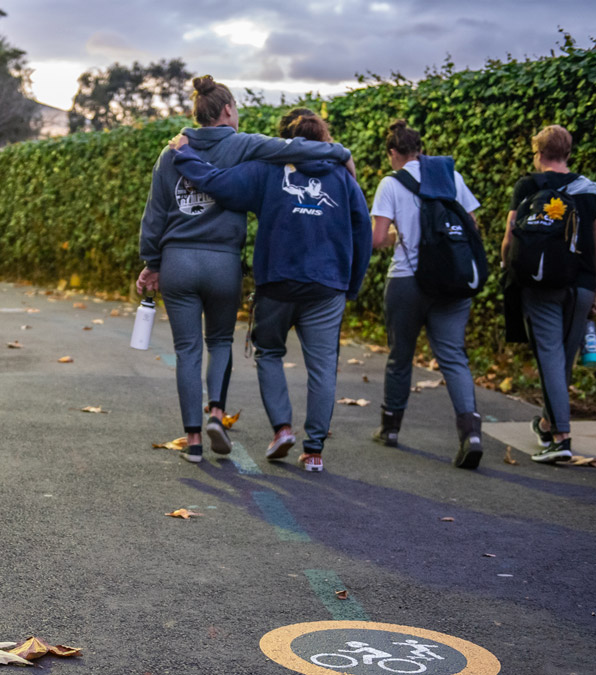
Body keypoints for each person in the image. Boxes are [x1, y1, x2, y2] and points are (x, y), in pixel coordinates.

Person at [137, 76, 354, 464]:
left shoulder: (172, 151)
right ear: (227, 110)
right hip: (224, 262)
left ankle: (192, 441)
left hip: (178, 262)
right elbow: (295, 148)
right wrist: (340, 152)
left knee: (186, 349)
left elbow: (154, 215)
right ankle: (218, 414)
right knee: (219, 341)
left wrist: (151, 262)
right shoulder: (245, 144)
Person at [370, 120, 486, 468]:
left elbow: (378, 239)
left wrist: (397, 235)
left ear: (393, 153)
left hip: (408, 280)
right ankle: (471, 433)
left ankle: (390, 428)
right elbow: (472, 226)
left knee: (401, 356)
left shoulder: (390, 184)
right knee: (453, 356)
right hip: (452, 279)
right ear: (420, 149)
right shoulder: (452, 177)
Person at [501, 125, 596, 463]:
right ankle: (548, 424)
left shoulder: (527, 186)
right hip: (580, 285)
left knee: (549, 355)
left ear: (538, 153)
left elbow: (509, 238)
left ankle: (561, 437)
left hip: (539, 283)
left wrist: (510, 271)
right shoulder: (592, 192)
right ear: (568, 153)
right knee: (563, 358)